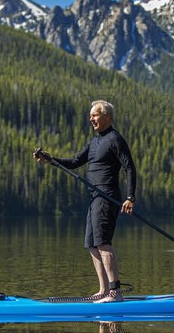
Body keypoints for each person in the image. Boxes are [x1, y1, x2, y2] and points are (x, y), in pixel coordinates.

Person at [33, 100, 136, 302]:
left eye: (95, 115)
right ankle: (103, 290)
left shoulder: (115, 139)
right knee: (91, 244)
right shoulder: (94, 141)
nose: (91, 118)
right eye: (90, 115)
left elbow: (129, 167)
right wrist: (50, 159)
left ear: (107, 116)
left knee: (103, 243)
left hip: (107, 196)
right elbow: (74, 162)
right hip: (94, 198)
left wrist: (130, 197)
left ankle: (115, 293)